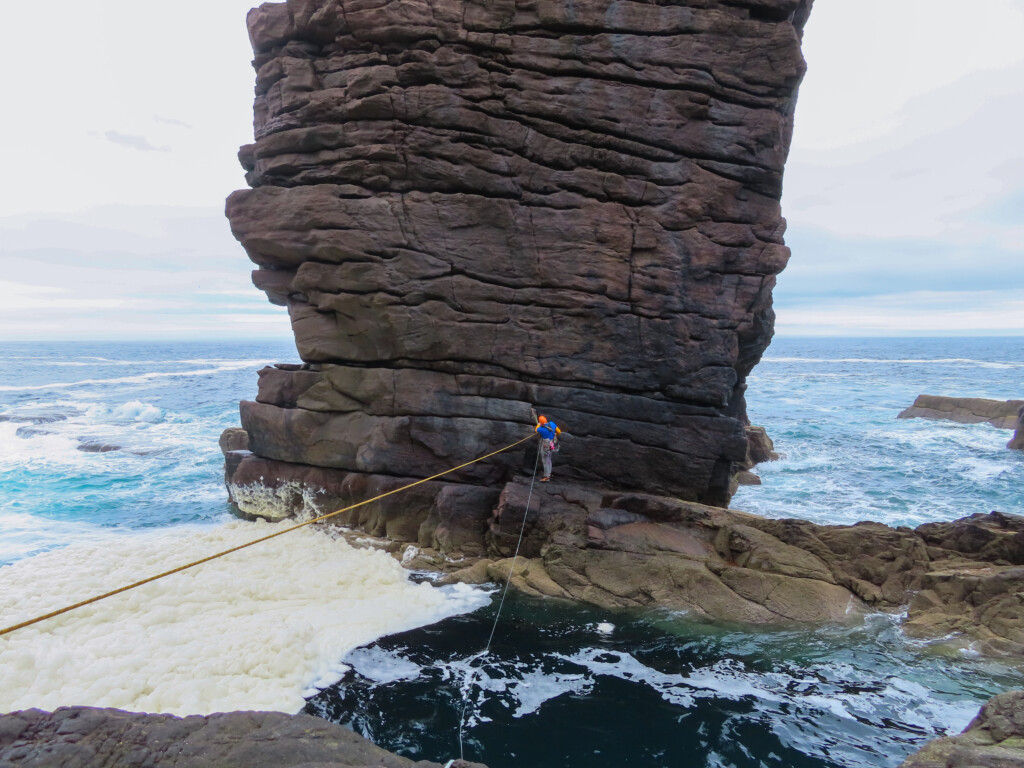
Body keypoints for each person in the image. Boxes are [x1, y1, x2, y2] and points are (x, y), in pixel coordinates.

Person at [532, 412, 562, 482]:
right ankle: (549, 473)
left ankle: (546, 476)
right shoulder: (552, 423)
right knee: (549, 459)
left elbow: (536, 430)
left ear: (541, 422)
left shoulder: (540, 429)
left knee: (545, 460)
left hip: (545, 445)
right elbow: (559, 432)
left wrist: (538, 425)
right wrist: (555, 433)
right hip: (552, 444)